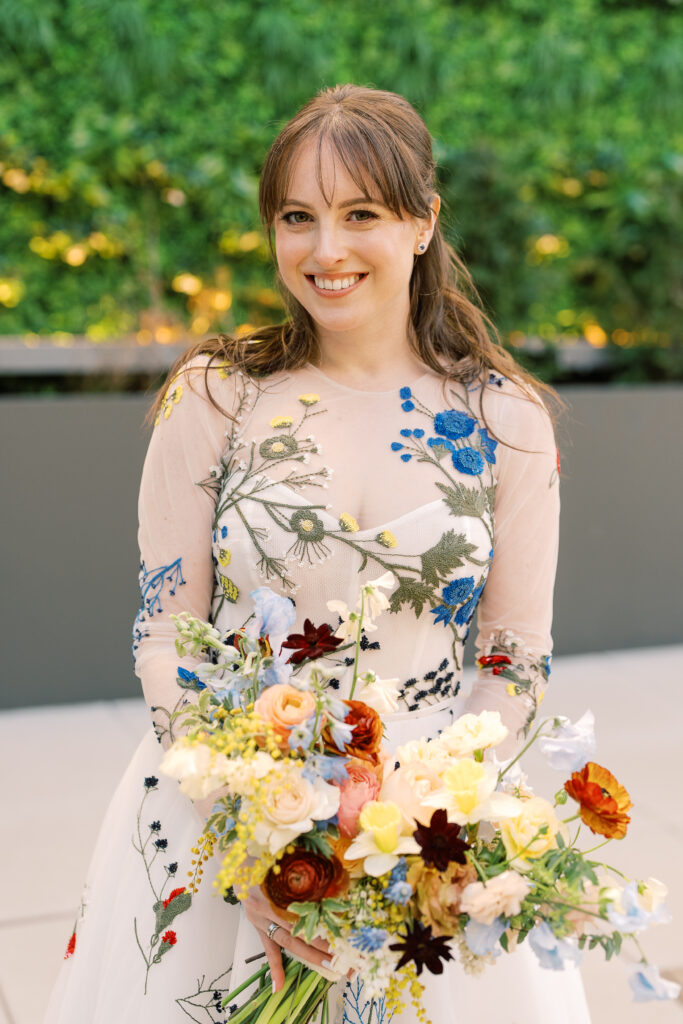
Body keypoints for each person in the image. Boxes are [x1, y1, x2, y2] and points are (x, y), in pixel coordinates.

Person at [45, 84, 590, 1023]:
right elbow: (166, 630)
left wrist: (435, 826)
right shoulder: (217, 397)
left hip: (427, 836)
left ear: (420, 224)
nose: (324, 250)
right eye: (297, 217)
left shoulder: (507, 422)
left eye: (360, 215)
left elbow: (514, 656)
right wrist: (252, 831)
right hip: (218, 812)